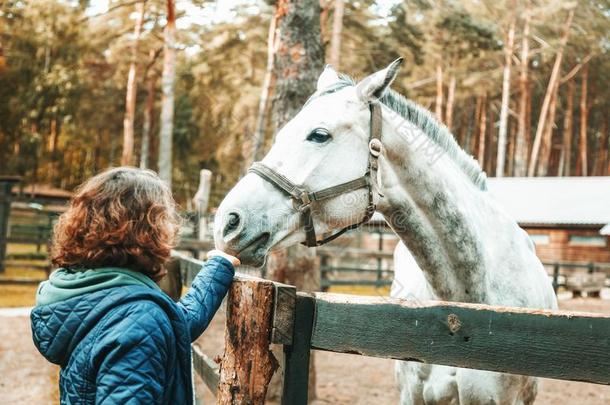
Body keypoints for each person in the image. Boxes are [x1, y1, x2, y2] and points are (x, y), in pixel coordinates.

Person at [30, 167, 239, 404]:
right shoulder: (137, 317)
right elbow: (143, 329)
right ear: (147, 231)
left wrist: (218, 267)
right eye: (164, 220)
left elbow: (174, 323)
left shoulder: (90, 295)